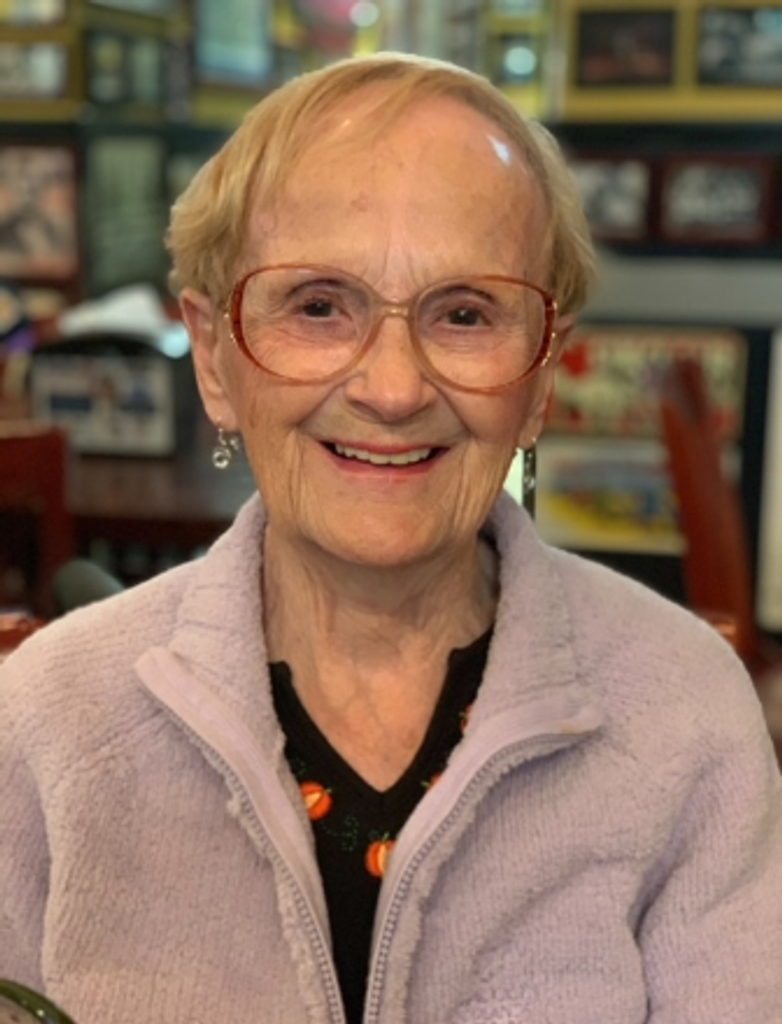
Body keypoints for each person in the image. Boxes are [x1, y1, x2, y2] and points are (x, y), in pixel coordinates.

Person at [2, 52, 781, 1024]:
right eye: (319, 306)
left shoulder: (685, 715)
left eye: (465, 314)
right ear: (212, 355)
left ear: (541, 375)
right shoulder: (48, 721)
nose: (393, 387)